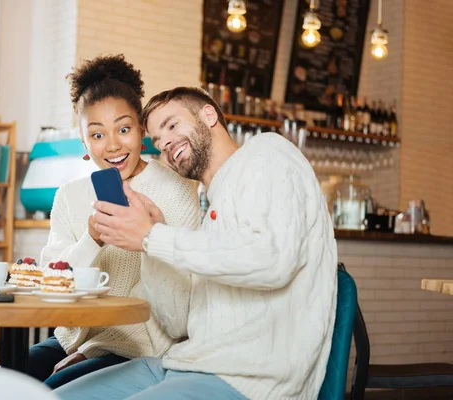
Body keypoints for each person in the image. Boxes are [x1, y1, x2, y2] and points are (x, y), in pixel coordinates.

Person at [54, 87, 338, 400]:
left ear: (209, 114)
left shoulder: (267, 153)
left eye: (172, 125)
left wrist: (152, 236)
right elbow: (177, 324)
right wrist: (151, 239)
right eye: (158, 141)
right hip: (182, 364)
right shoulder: (211, 213)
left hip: (249, 380)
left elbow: (273, 262)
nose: (166, 144)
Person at [28, 57, 201, 389]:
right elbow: (53, 282)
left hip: (139, 347)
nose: (112, 145)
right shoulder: (69, 196)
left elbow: (178, 304)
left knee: (48, 391)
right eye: (97, 134)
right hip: (74, 339)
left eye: (123, 129)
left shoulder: (177, 191)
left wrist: (94, 350)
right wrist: (91, 240)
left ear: (140, 130)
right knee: (2, 382)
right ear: (84, 144)